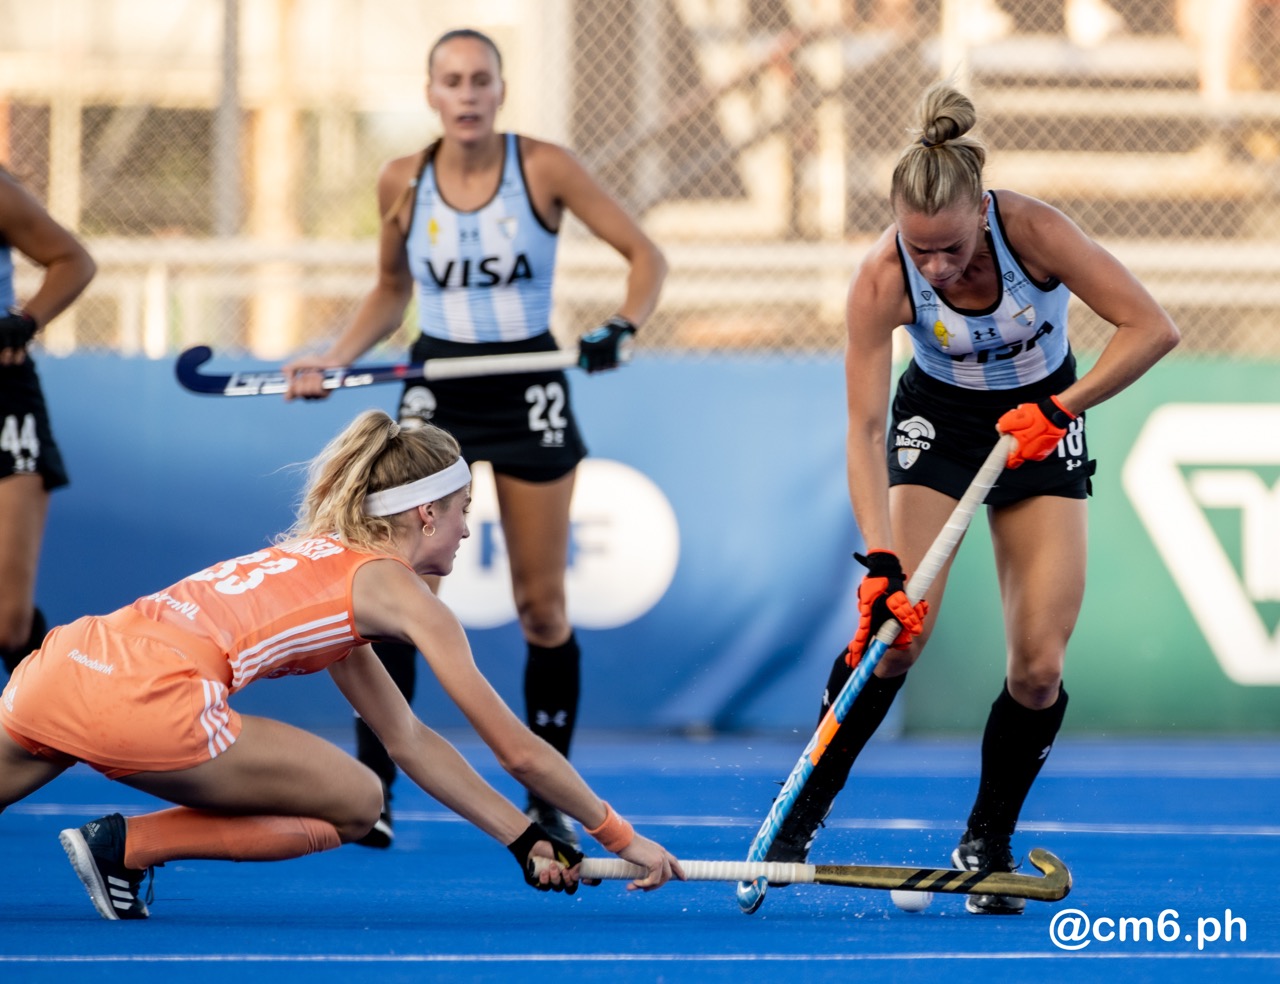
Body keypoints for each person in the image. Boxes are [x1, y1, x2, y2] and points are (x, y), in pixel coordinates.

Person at [0, 409, 683, 920]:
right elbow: (520, 754)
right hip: (152, 701)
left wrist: (525, 840)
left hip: (61, 665)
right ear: (424, 514)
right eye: (462, 511)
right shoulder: (402, 594)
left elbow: (409, 739)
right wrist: (619, 836)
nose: (468, 530)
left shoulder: (324, 567)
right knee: (359, 802)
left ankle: (120, 847)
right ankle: (129, 846)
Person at [762, 81, 1179, 915]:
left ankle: (986, 840)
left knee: (1039, 668)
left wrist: (1061, 408)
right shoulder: (884, 277)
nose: (938, 268)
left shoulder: (1034, 233)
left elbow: (1152, 327)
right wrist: (881, 559)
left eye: (951, 248)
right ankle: (801, 810)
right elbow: (863, 430)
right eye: (921, 252)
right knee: (895, 638)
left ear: (980, 210)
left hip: (1046, 422)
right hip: (941, 429)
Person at [283, 28, 667, 851]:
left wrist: (623, 326)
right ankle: (377, 788)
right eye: (451, 81)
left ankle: (551, 794)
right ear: (431, 93)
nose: (465, 95)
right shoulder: (403, 180)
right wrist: (333, 358)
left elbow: (644, 255)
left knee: (541, 606)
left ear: (499, 91)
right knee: (397, 601)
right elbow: (390, 289)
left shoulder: (545, 167)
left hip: (530, 380)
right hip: (439, 384)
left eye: (479, 81)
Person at [0, 166, 95, 682]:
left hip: (6, 400)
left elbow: (73, 260)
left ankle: (55, 719)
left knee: (7, 626)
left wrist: (24, 321)